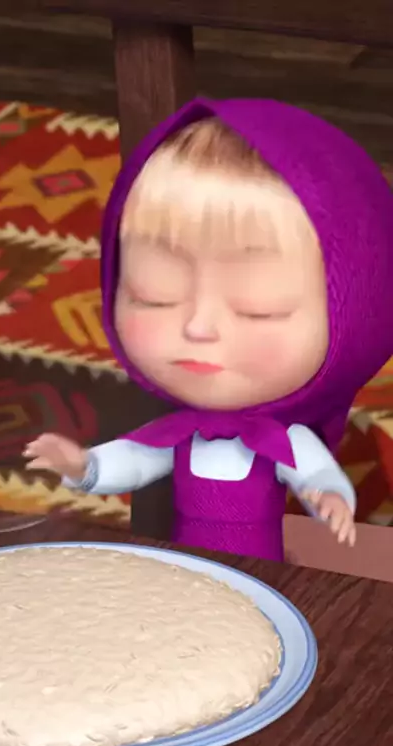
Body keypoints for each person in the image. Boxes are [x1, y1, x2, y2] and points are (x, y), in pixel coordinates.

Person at [23, 98, 393, 562]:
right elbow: (135, 459)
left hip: (259, 560)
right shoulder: (177, 432)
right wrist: (82, 466)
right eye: (153, 295)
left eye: (258, 310)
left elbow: (316, 476)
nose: (198, 328)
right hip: (184, 564)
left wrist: (329, 497)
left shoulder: (284, 442)